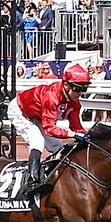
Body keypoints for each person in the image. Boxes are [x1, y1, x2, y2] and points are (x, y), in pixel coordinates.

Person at [7, 63, 90, 197]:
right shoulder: (52, 96)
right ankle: (32, 181)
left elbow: (77, 127)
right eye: (77, 88)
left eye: (83, 89)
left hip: (39, 117)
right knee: (37, 141)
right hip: (20, 111)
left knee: (57, 146)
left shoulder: (75, 103)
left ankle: (55, 177)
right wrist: (72, 134)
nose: (79, 93)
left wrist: (88, 135)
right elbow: (50, 128)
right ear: (66, 85)